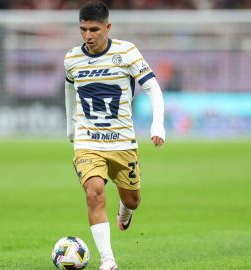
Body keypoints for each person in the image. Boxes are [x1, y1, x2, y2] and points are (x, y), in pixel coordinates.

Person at [64, 2, 165, 269]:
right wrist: (70, 127)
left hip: (123, 142)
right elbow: (70, 94)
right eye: (83, 29)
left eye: (94, 29)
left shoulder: (127, 52)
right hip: (88, 142)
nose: (88, 35)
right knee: (94, 192)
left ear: (107, 27)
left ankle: (126, 208)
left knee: (133, 198)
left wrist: (158, 126)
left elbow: (153, 88)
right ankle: (108, 261)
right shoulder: (72, 59)